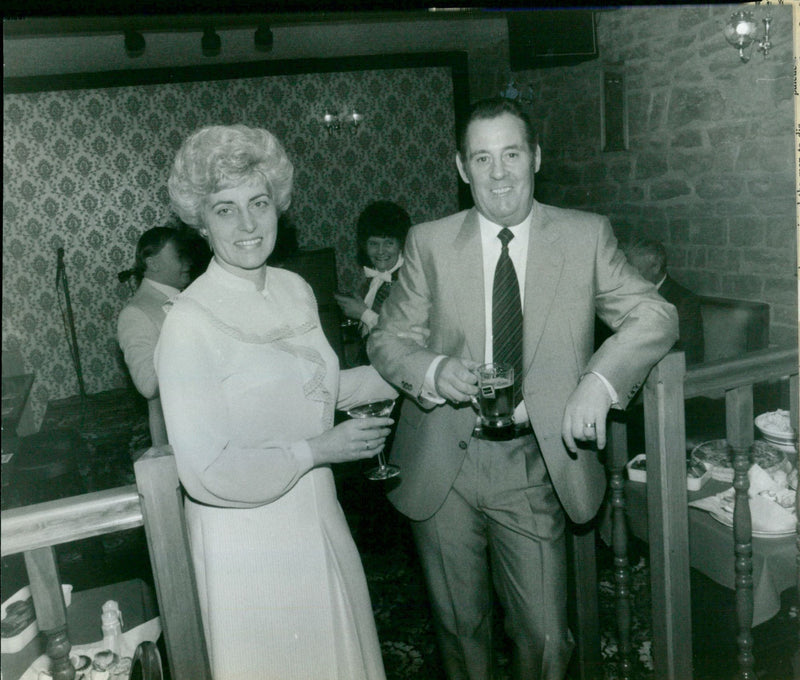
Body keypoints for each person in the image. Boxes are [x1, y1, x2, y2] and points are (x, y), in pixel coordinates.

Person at [367, 98, 678, 680]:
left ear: (535, 157)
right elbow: (387, 339)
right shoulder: (429, 242)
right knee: (460, 631)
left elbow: (655, 315)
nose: (499, 173)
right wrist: (433, 370)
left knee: (545, 638)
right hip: (443, 463)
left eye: (511, 154)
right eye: (482, 158)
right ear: (462, 168)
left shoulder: (585, 236)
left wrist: (599, 381)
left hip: (533, 464)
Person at [155, 124, 396, 680]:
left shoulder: (294, 288)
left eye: (258, 203)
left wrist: (417, 373)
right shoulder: (188, 323)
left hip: (317, 514)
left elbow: (315, 390)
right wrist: (318, 450)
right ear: (201, 222)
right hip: (246, 543)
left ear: (278, 207)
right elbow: (206, 470)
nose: (247, 224)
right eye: (225, 209)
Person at [117, 226, 192, 446]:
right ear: (153, 263)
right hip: (179, 434)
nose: (188, 262)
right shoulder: (135, 313)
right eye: (179, 255)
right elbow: (148, 385)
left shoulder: (190, 296)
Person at [622, 237, 705, 365]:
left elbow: (689, 357)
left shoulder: (684, 301)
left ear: (656, 267)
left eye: (637, 270)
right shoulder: (625, 294)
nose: (630, 277)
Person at [334, 200, 411, 337]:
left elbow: (401, 336)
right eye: (373, 244)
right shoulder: (376, 278)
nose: (380, 251)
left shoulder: (409, 281)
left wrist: (363, 313)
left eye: (388, 243)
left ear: (401, 244)